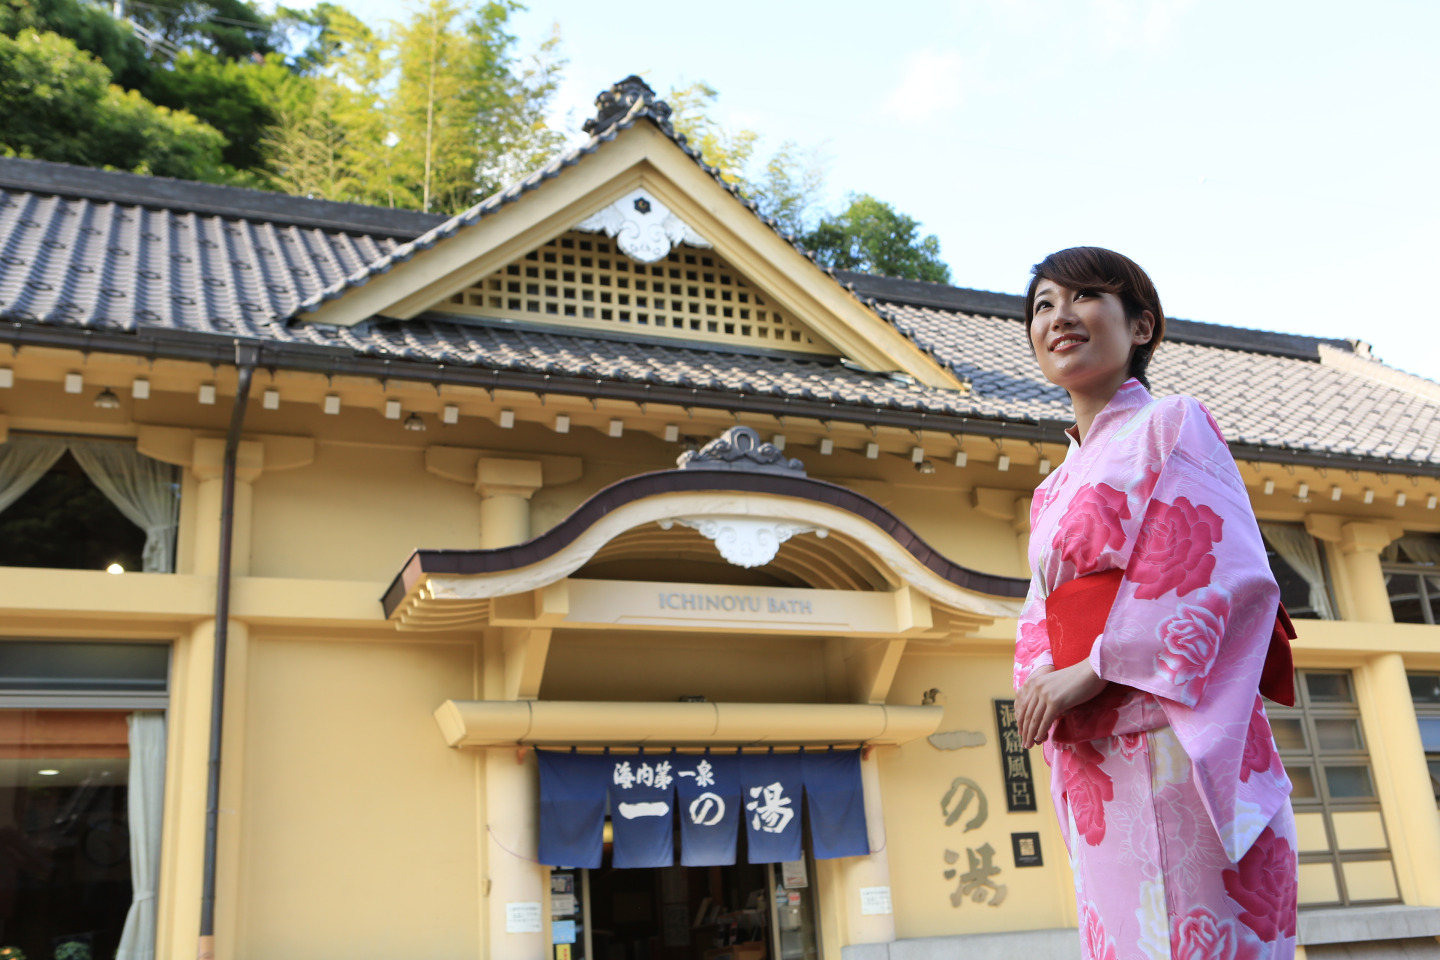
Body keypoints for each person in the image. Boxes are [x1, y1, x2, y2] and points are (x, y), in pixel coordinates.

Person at [1012, 247, 1298, 960]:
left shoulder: (1173, 422)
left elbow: (1221, 569)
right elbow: (1039, 616)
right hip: (1092, 755)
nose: (1058, 316)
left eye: (1083, 296)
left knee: (1195, 933)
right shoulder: (1051, 490)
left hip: (1174, 731)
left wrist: (1094, 667)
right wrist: (1044, 684)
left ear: (1141, 327)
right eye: (1042, 304)